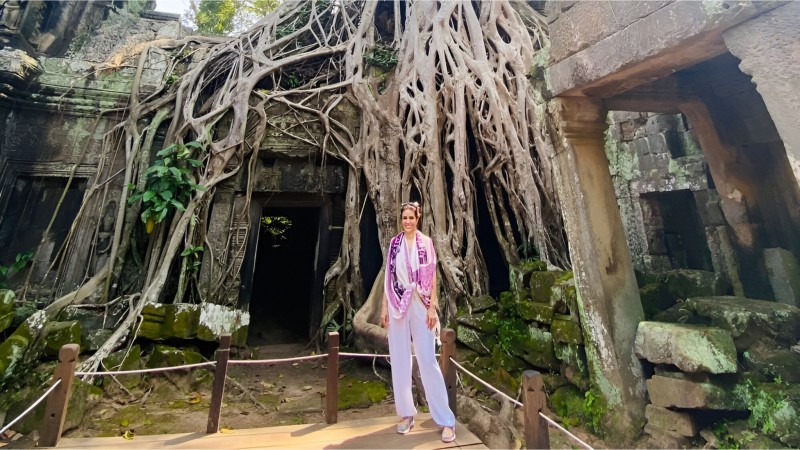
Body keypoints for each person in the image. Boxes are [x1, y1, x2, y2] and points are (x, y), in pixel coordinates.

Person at [381, 201, 456, 443]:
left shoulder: (426, 243)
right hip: (396, 303)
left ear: (418, 218)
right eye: (404, 218)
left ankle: (446, 420)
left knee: (427, 360)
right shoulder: (394, 244)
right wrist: (384, 308)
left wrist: (433, 306)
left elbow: (432, 275)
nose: (408, 221)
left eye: (411, 217)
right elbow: (388, 276)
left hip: (421, 303)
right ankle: (406, 414)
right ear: (400, 219)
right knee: (400, 359)